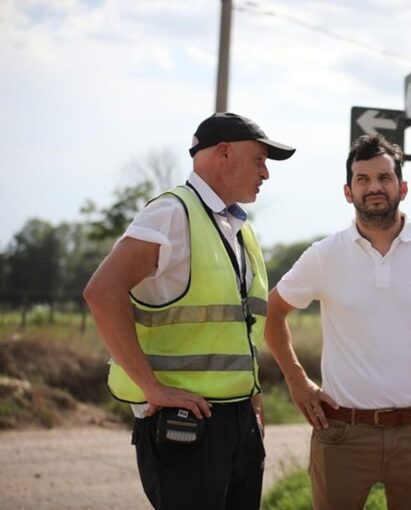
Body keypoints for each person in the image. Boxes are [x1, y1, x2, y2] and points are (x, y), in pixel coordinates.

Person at [264, 134, 411, 510]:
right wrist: (298, 382)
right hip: (340, 433)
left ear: (402, 187)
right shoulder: (324, 255)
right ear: (348, 191)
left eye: (384, 178)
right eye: (363, 179)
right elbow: (273, 313)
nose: (374, 187)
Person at [83, 112, 295, 510]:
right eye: (259, 160)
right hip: (185, 422)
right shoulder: (172, 213)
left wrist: (249, 395)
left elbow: (234, 329)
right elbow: (102, 292)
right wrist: (151, 388)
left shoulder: (238, 228)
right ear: (225, 153)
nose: (266, 173)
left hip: (237, 419)